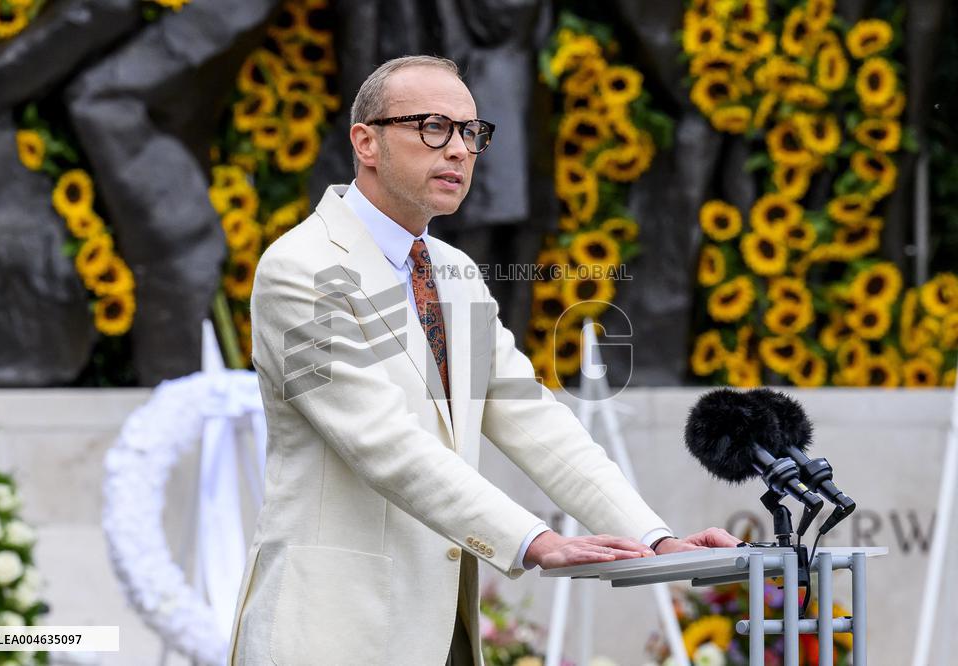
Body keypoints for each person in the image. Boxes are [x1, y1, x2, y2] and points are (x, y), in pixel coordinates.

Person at [227, 55, 740, 666]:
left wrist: (655, 538)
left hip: (444, 635)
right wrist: (536, 542)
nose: (459, 150)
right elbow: (384, 444)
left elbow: (533, 418)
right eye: (432, 127)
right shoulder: (300, 269)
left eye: (471, 132)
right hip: (331, 631)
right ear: (365, 141)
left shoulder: (455, 273)